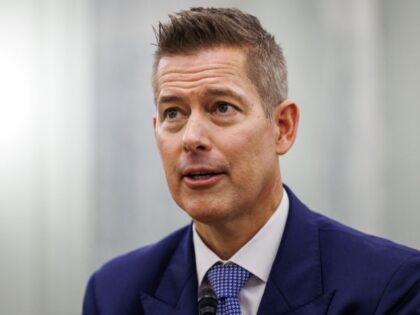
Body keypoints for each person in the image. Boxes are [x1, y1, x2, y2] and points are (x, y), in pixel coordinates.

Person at [83, 7, 420, 315]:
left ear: (282, 128)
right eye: (174, 113)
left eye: (222, 107)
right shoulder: (112, 294)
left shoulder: (392, 287)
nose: (191, 138)